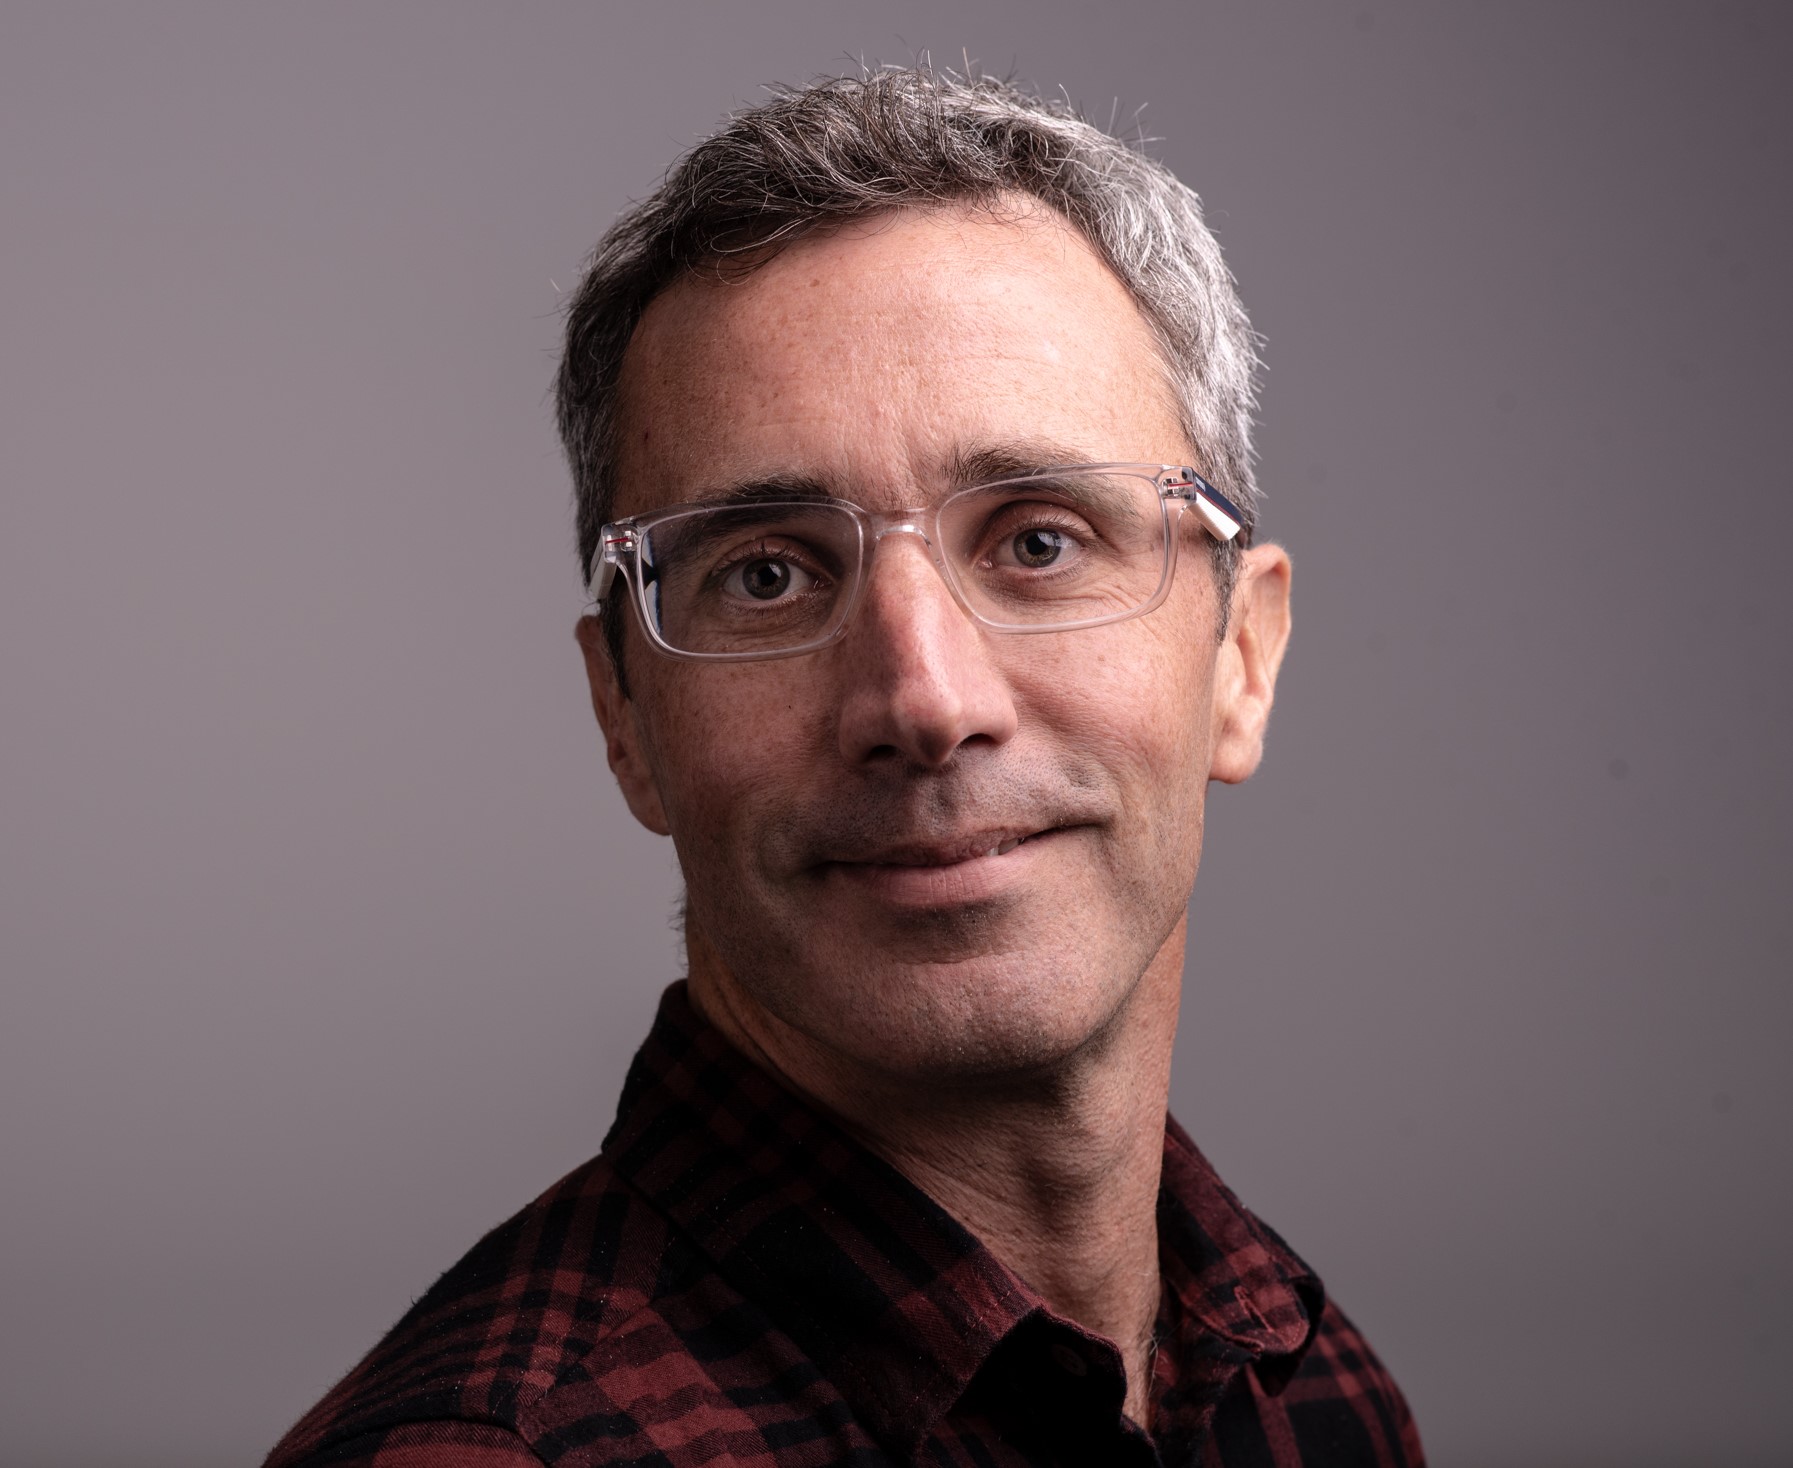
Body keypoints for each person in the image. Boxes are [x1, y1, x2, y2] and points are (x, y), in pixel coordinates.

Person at [265, 67, 1424, 1467]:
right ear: (622, 716)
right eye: (766, 574)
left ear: (1241, 653)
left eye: (1038, 541)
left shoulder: (1299, 1384)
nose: (924, 700)